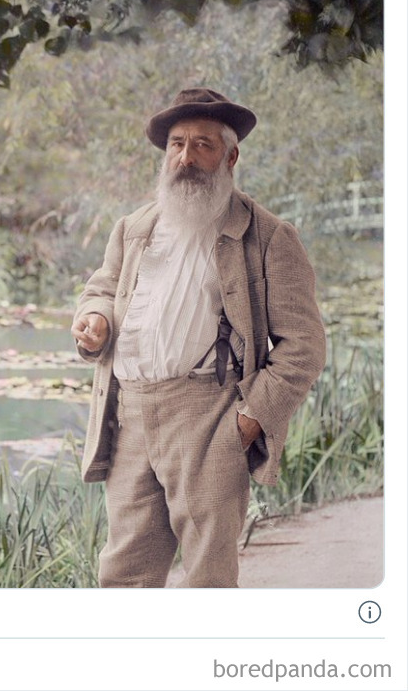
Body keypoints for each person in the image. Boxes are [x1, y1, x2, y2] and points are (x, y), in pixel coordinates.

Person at [71, 87, 326, 588]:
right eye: (178, 144)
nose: (187, 157)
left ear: (231, 156)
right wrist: (95, 320)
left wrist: (251, 416)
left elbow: (304, 346)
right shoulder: (133, 228)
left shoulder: (269, 236)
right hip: (132, 414)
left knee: (207, 576)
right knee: (122, 574)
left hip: (210, 416)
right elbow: (101, 288)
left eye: (204, 145)